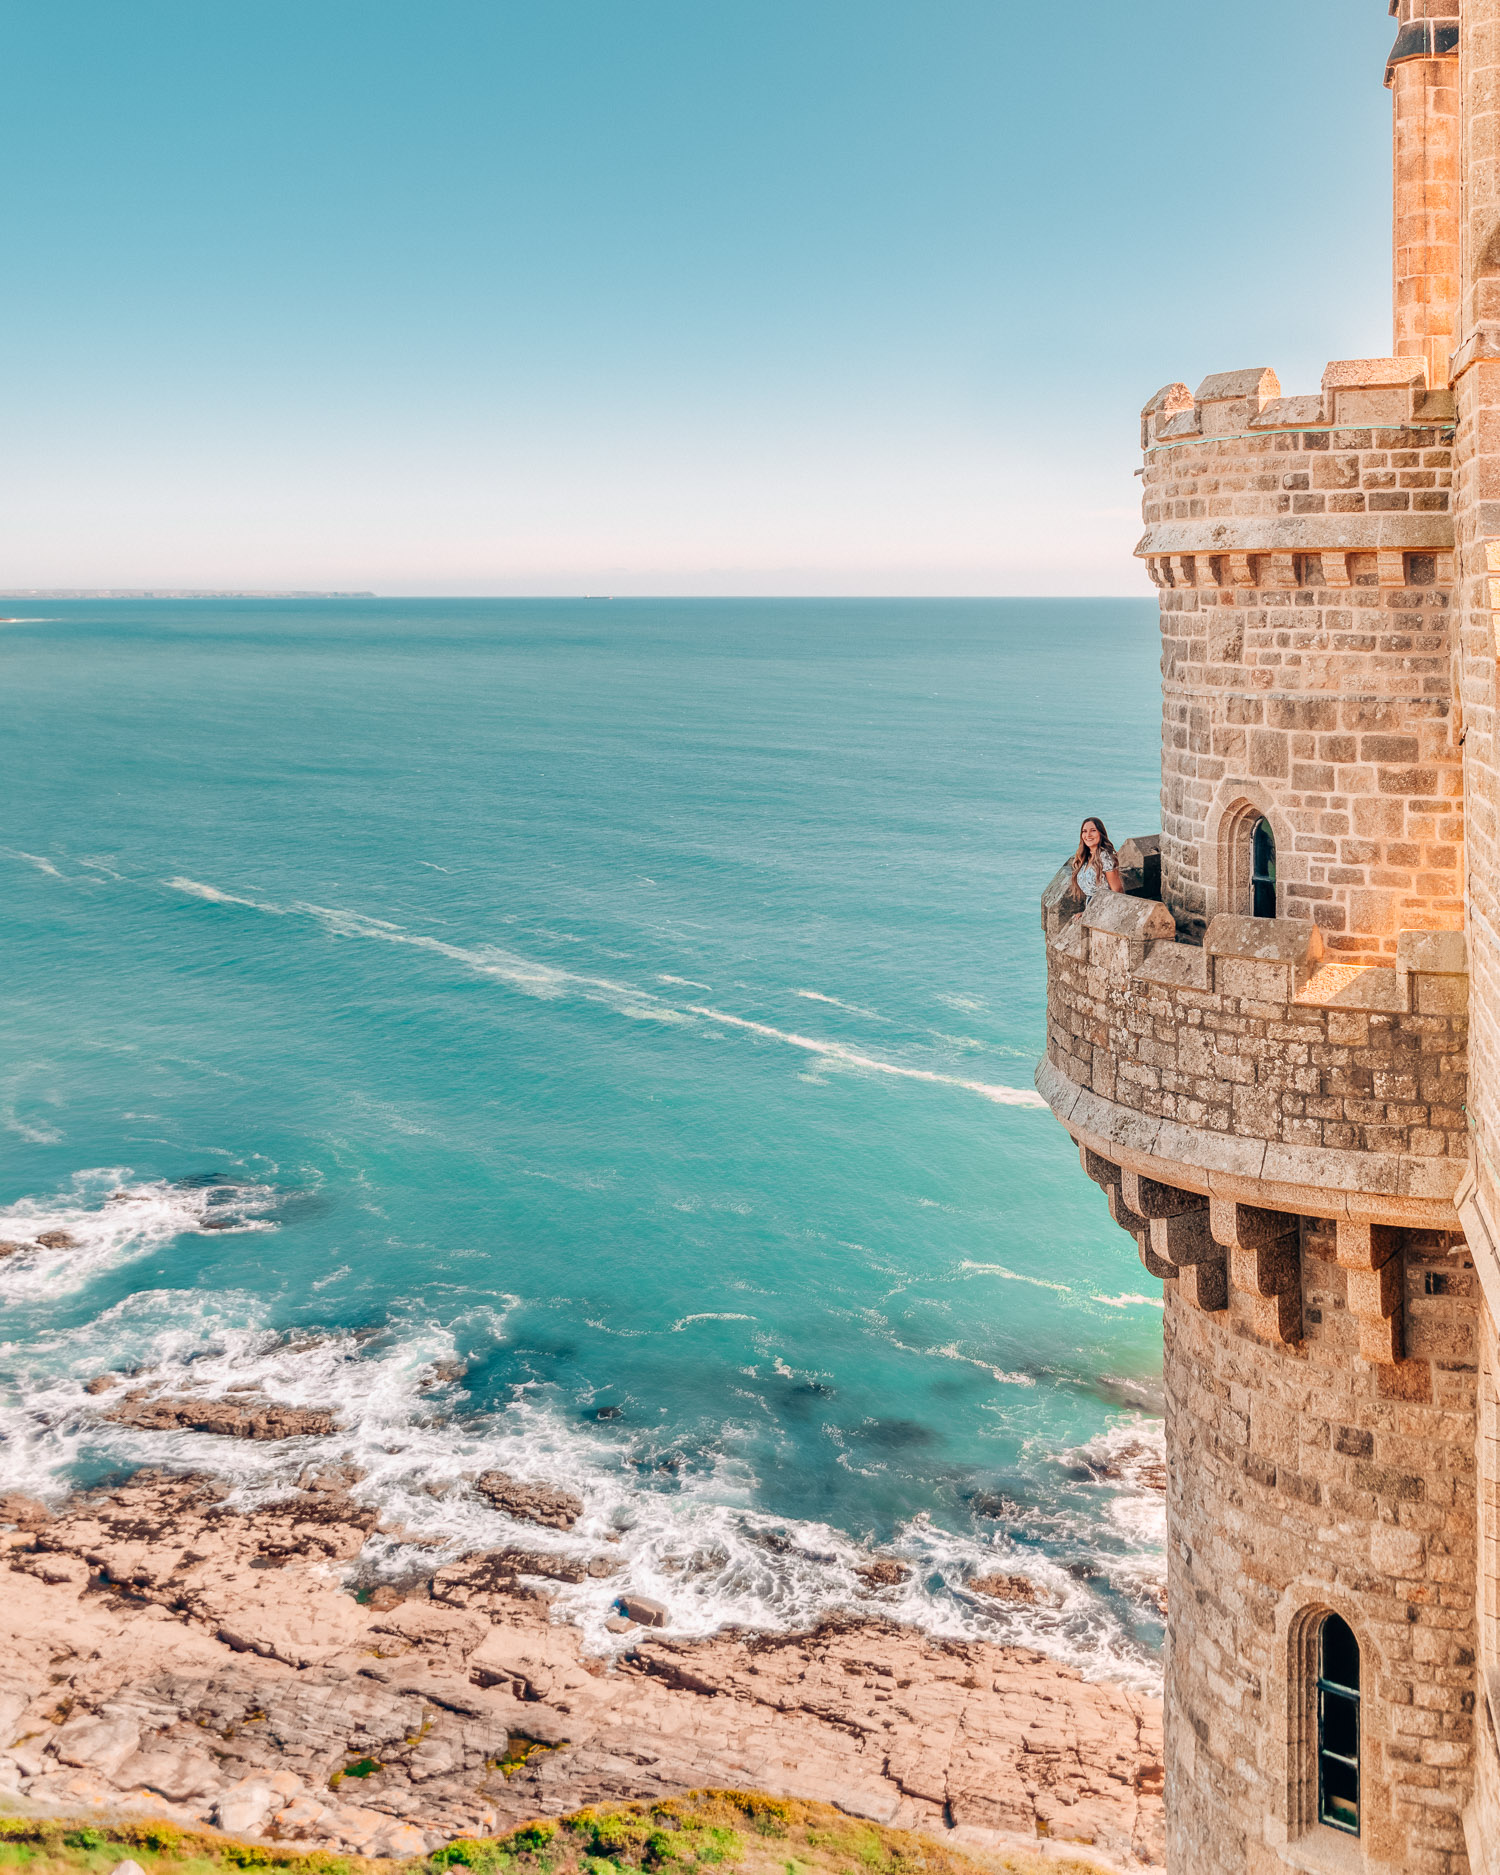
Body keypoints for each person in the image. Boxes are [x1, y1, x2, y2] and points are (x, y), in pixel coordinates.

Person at [1071, 816, 1123, 908]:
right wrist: (1086, 913)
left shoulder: (1105, 857)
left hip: (1105, 909)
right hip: (1092, 909)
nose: (1088, 835)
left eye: (1093, 830)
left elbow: (1117, 891)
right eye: (1084, 831)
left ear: (1100, 833)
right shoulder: (1086, 858)